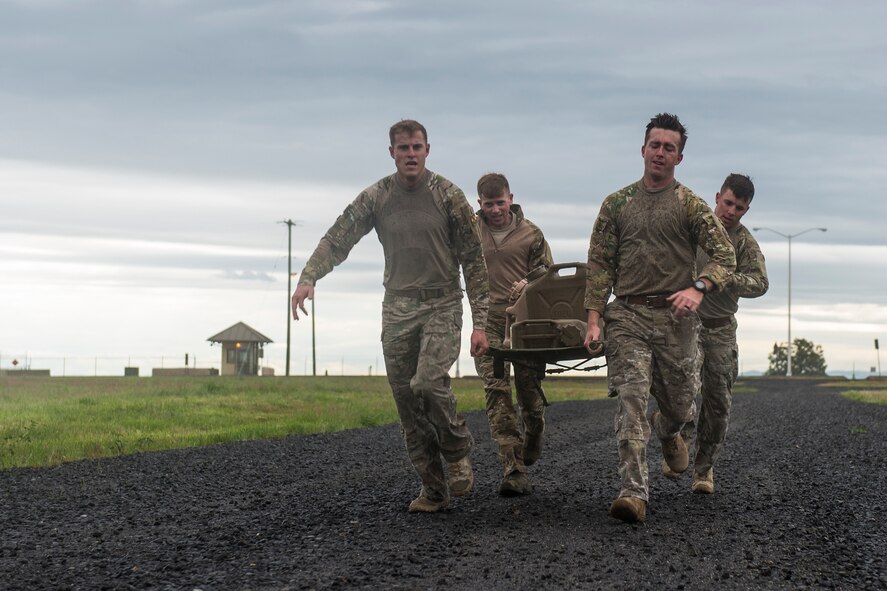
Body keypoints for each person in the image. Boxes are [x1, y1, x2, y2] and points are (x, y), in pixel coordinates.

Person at [291, 119, 490, 514]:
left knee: (429, 383)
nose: (410, 154)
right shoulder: (377, 196)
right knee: (407, 405)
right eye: (403, 148)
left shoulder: (448, 195)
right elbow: (339, 237)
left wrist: (481, 321)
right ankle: (434, 490)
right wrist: (309, 276)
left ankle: (457, 449)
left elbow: (474, 260)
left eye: (417, 147)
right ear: (392, 153)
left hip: (442, 303)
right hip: (397, 308)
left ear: (428, 150)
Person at [583, 113, 737, 523]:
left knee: (682, 403)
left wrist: (698, 287)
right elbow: (599, 263)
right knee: (631, 398)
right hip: (628, 314)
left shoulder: (690, 205)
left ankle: (669, 431)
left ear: (679, 158)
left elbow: (725, 257)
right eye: (655, 145)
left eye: (670, 147)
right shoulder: (617, 204)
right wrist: (595, 318)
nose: (661, 152)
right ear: (643, 150)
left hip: (677, 321)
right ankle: (634, 492)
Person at [660, 173, 769, 494]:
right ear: (717, 197)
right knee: (680, 393)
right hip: (685, 326)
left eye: (739, 207)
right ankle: (676, 444)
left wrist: (725, 278)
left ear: (745, 210)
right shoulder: (695, 230)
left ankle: (704, 470)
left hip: (720, 330)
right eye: (728, 202)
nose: (731, 211)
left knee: (718, 403)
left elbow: (761, 283)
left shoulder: (744, 243)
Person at [472, 173, 553, 496]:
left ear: (511, 199)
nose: (495, 210)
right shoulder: (470, 232)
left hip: (525, 321)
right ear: (479, 204)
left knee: (528, 391)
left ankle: (534, 430)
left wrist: (529, 283)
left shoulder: (531, 234)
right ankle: (513, 468)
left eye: (500, 203)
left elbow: (548, 275)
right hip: (488, 320)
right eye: (488, 204)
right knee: (496, 391)